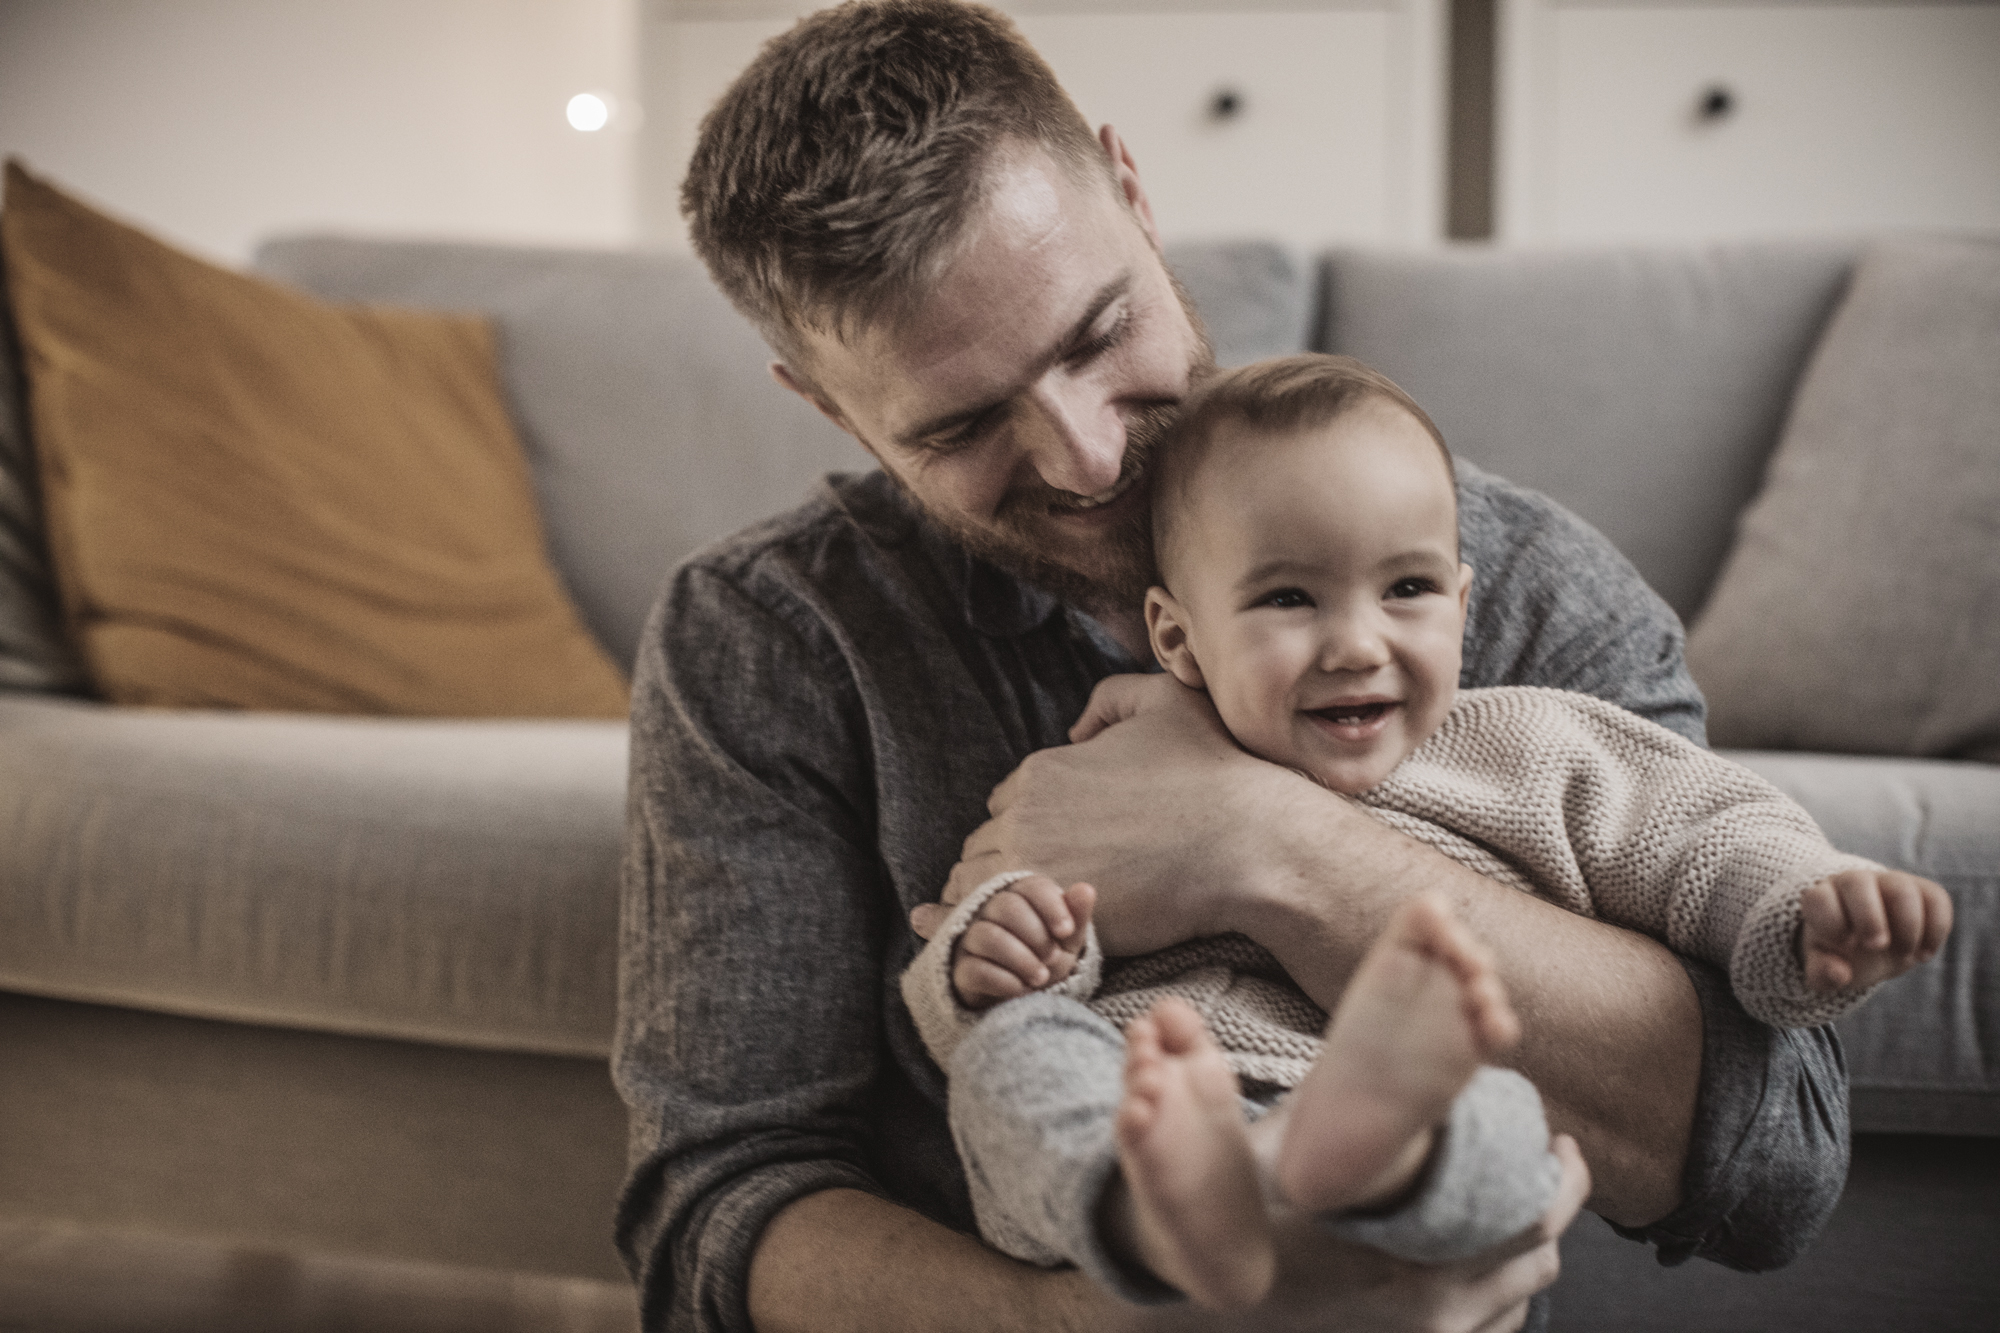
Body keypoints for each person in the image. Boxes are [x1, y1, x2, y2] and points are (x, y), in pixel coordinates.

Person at [614, 3, 1853, 1330]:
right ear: (821, 399)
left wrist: (1256, 842)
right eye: (965, 422)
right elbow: (720, 1208)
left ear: (1134, 195)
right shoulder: (767, 638)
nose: (1086, 459)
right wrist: (1088, 1323)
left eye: (1099, 333)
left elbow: (1773, 1159)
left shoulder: (1519, 581)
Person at [902, 354, 1952, 1313]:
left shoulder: (1527, 748)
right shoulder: (1107, 777)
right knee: (1012, 1065)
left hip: (1410, 1133)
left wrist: (1801, 910)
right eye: (1285, 599)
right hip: (1168, 1115)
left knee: (1496, 1101)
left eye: (1404, 590)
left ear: (1459, 605)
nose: (1356, 643)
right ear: (1177, 635)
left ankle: (1371, 1154)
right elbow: (1005, 949)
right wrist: (1000, 954)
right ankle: (1164, 1213)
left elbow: (1702, 833)